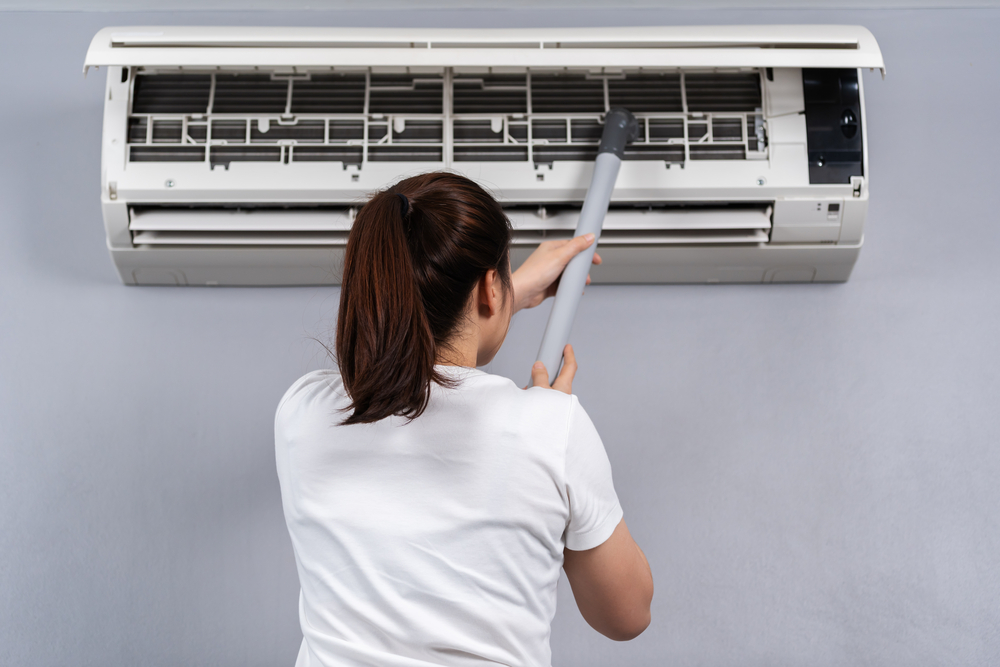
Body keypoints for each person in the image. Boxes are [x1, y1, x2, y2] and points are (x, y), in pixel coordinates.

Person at [275, 172, 653, 667]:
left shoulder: (302, 413)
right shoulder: (550, 429)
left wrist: (503, 293)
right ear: (489, 289)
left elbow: (416, 352)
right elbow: (626, 615)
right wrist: (546, 429)